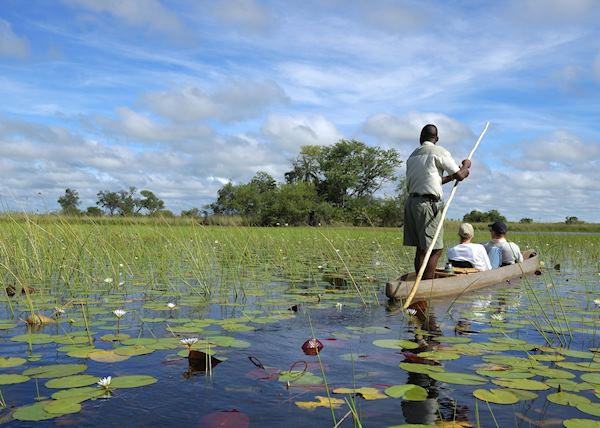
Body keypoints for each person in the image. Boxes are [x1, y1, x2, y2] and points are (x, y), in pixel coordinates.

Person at [404, 124, 471, 279]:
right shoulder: (438, 151)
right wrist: (466, 166)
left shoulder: (413, 155)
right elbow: (460, 175)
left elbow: (435, 180)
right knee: (435, 249)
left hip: (411, 204)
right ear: (437, 139)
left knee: (422, 248)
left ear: (420, 139)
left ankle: (420, 282)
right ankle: (426, 285)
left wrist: (454, 175)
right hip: (427, 204)